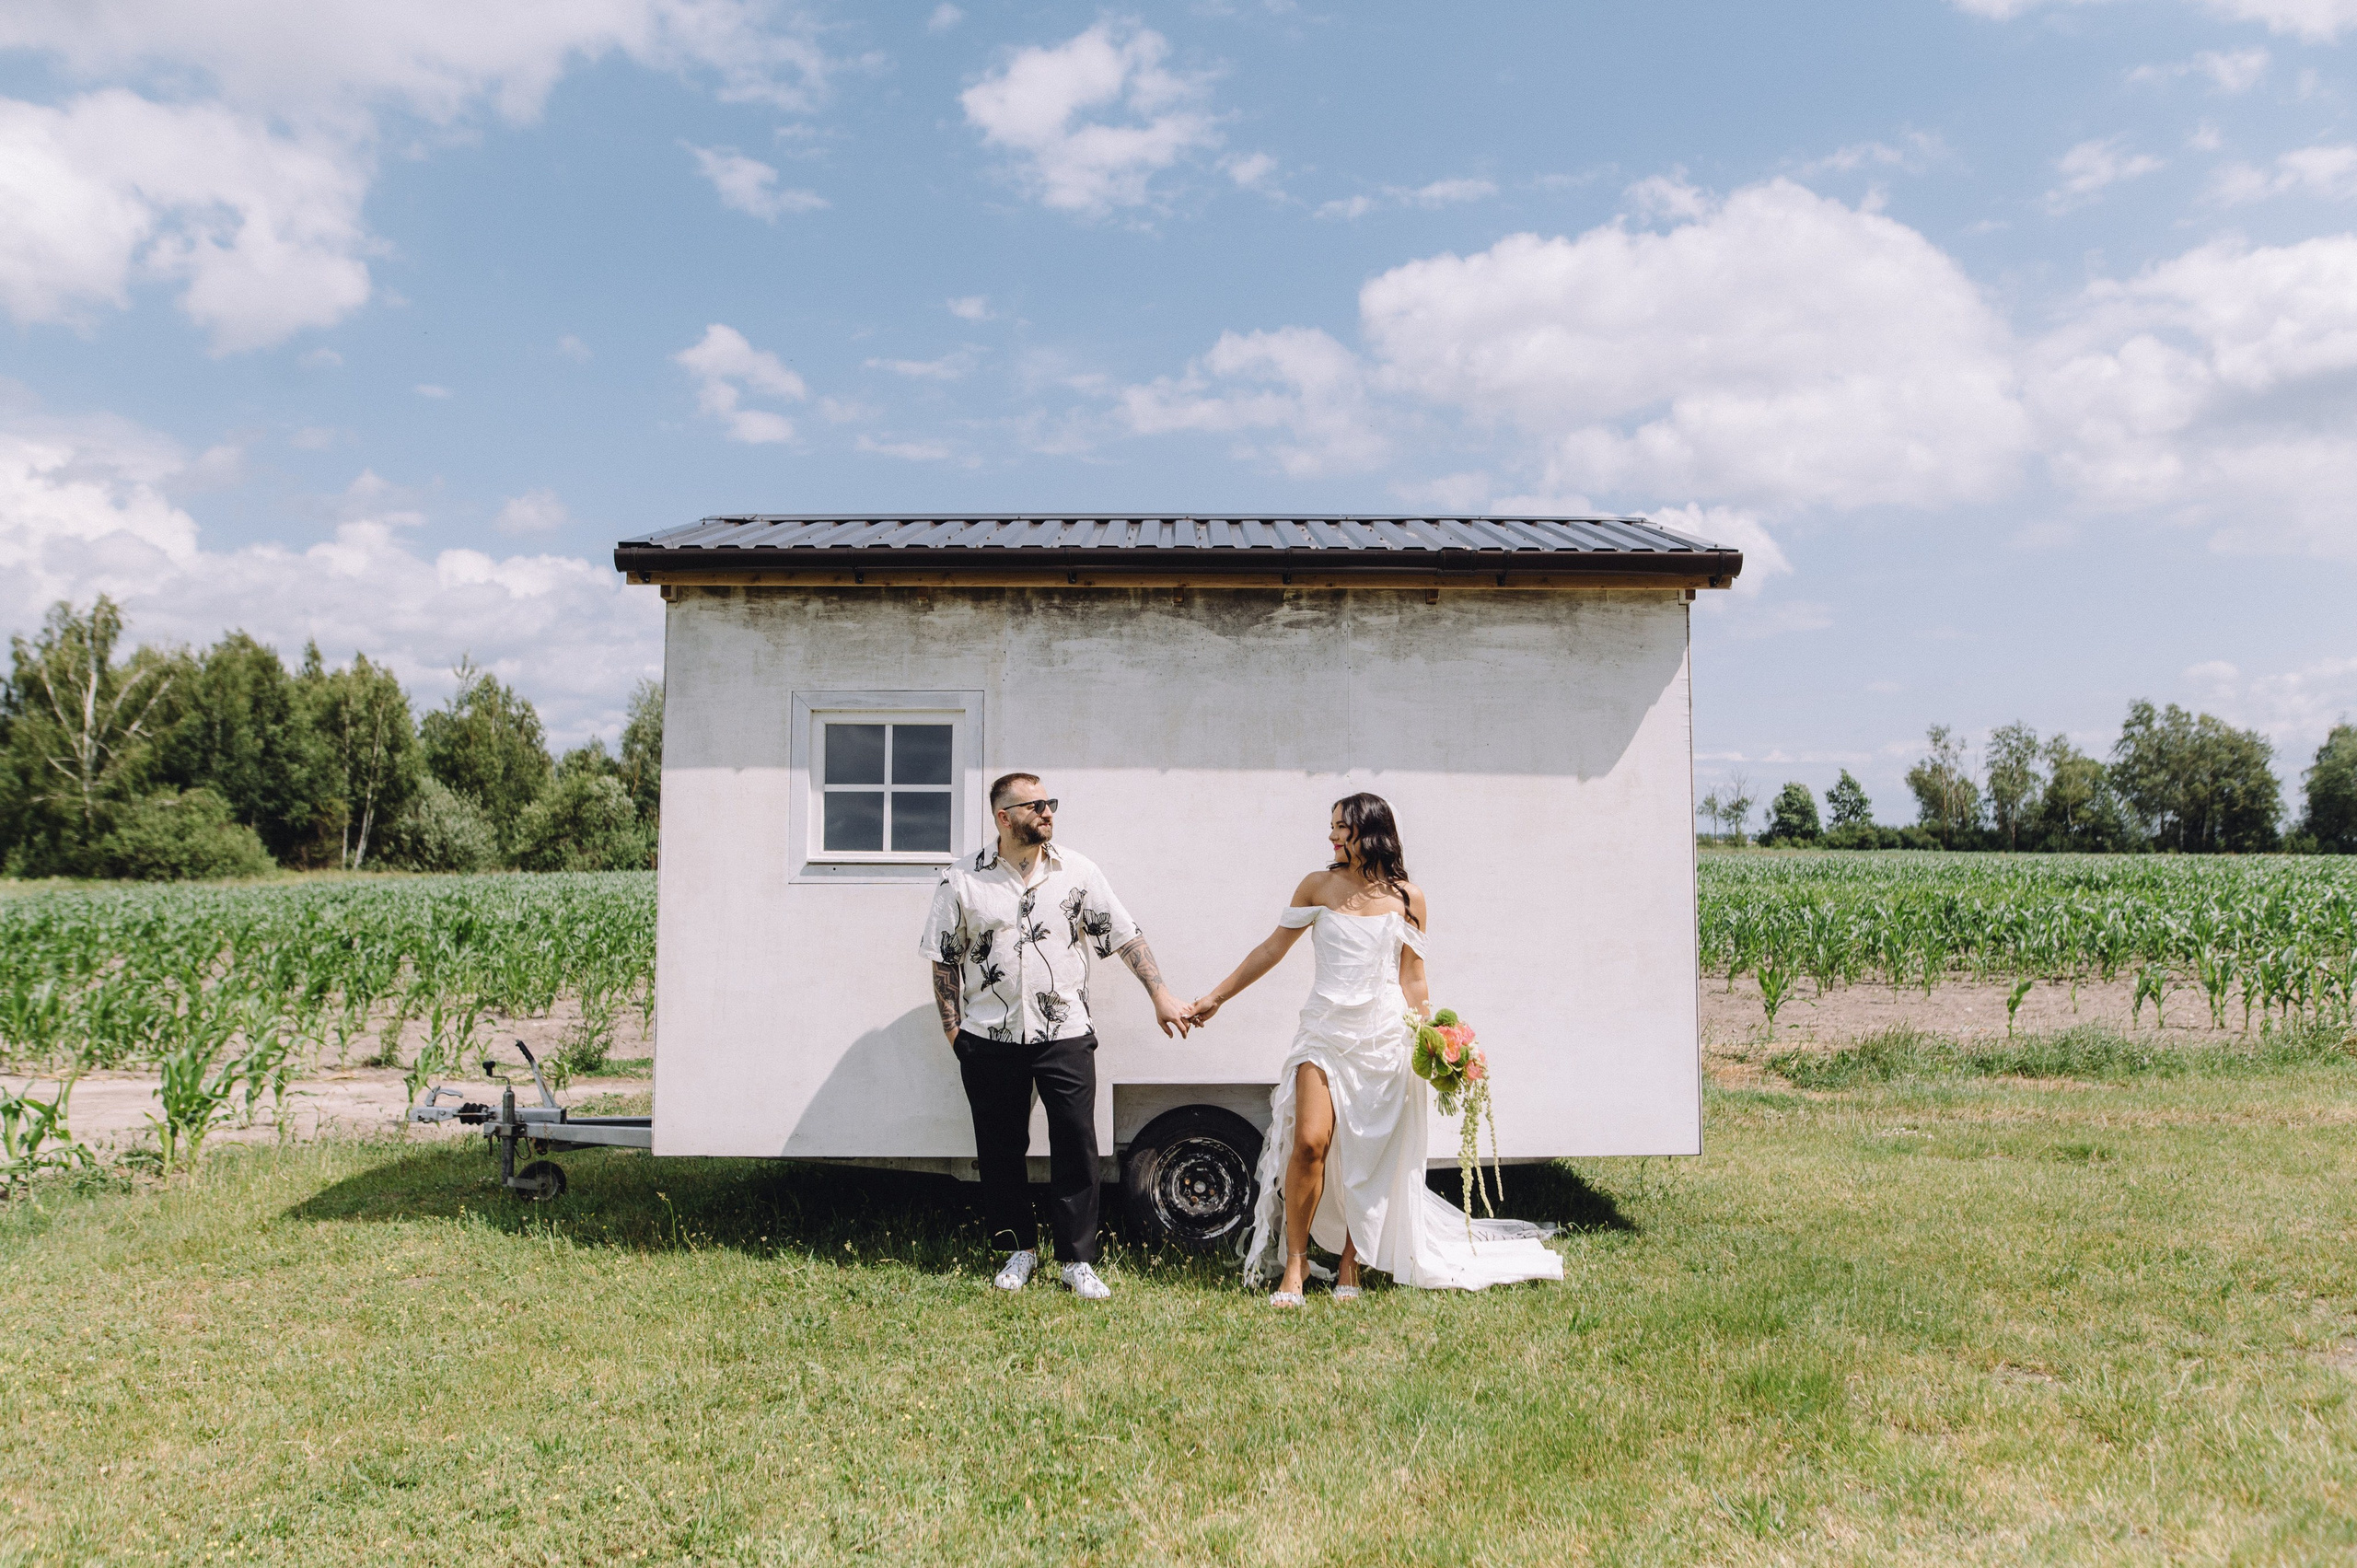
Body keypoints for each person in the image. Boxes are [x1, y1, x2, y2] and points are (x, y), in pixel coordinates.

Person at [1184, 792, 1563, 1305]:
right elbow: (1273, 948)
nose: (1332, 835)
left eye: (1341, 826)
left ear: (1371, 831)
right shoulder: (1316, 886)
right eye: (1332, 827)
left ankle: (1350, 1262)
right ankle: (1294, 1265)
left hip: (1386, 1036)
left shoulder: (1410, 898)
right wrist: (1216, 997)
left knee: (1369, 1155)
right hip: (1323, 1031)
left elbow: (1413, 977)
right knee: (1311, 1143)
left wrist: (1435, 1041)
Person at [921, 772, 1191, 1301]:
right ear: (1004, 817)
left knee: (1076, 1145)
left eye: (1051, 803)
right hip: (989, 1039)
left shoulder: (1078, 871)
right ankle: (1016, 1251)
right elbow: (944, 960)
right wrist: (957, 1034)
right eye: (1036, 805)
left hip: (1065, 1033)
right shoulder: (962, 880)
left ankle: (1076, 1260)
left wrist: (1159, 994)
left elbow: (1124, 934)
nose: (1048, 813)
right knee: (1000, 1150)